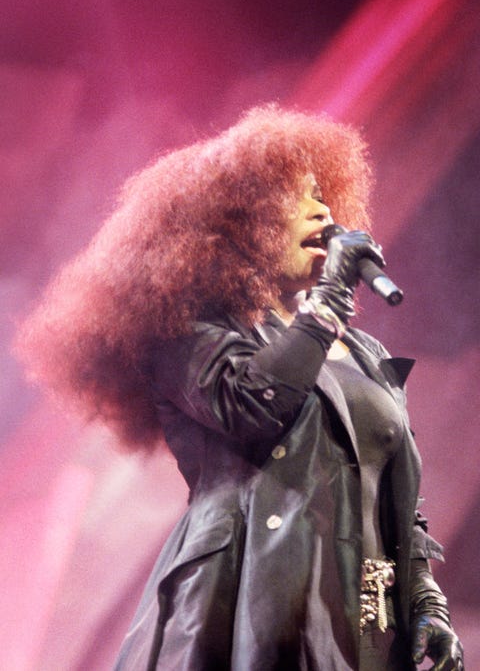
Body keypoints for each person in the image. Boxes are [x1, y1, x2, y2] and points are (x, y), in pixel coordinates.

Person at [17, 105, 464, 670]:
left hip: (363, 619)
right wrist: (327, 303)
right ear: (236, 223)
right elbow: (249, 405)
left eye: (325, 195)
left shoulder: (364, 355)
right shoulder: (186, 327)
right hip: (245, 603)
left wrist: (425, 602)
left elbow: (396, 494)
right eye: (297, 196)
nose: (322, 208)